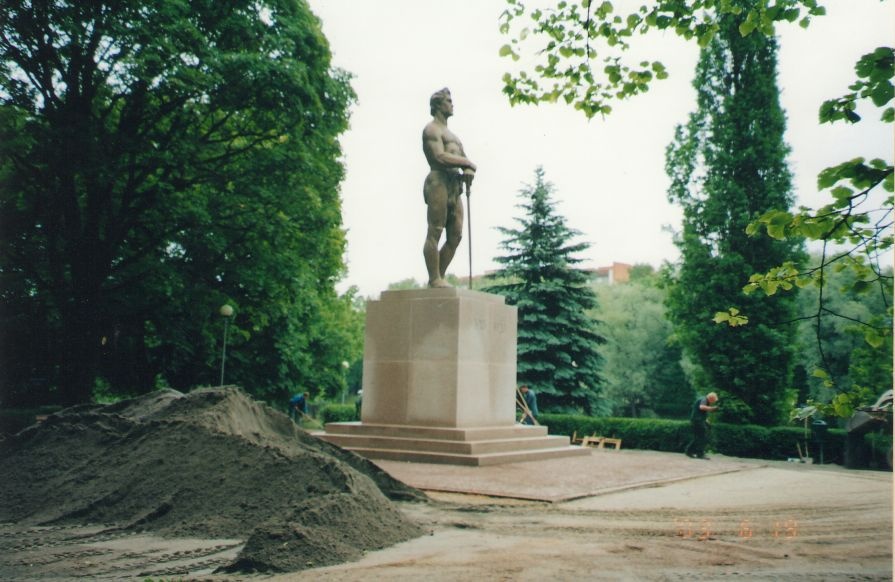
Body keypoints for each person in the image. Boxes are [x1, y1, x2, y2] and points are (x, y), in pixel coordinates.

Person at [422, 88, 477, 288]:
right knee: (435, 230)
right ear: (437, 105)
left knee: (456, 235)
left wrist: (468, 172)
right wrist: (467, 163)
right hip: (438, 181)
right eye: (448, 101)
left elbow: (464, 160)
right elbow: (439, 156)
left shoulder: (454, 136)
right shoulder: (431, 130)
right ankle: (434, 278)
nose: (452, 104)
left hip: (455, 185)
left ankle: (439, 277)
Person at [685, 392, 719, 459]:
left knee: (698, 437)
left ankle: (689, 451)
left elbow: (700, 412)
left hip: (696, 420)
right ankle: (700, 454)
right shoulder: (704, 399)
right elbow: (701, 407)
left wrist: (706, 421)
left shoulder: (704, 400)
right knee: (702, 437)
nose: (713, 402)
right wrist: (712, 408)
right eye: (713, 400)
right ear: (711, 398)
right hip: (698, 421)